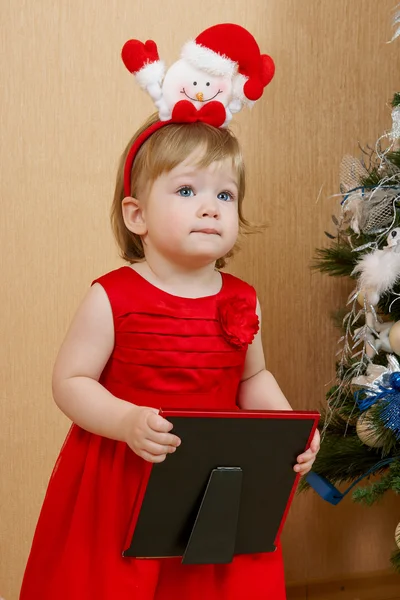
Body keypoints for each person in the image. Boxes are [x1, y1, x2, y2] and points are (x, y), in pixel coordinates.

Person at [19, 24, 320, 600]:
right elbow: (71, 381)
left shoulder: (241, 298)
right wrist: (126, 421)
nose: (209, 207)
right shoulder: (113, 295)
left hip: (213, 475)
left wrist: (287, 433)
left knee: (206, 582)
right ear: (137, 216)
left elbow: (252, 376)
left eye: (224, 195)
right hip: (125, 473)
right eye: (186, 192)